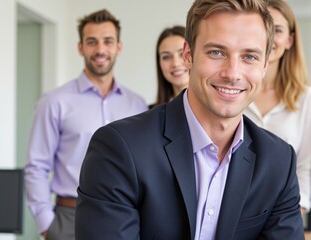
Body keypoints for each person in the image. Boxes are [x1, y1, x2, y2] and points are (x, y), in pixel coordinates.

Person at [75, 0, 305, 239]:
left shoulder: (278, 161)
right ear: (188, 55)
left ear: (265, 65)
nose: (232, 73)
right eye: (217, 52)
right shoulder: (119, 148)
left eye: (249, 56)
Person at [24, 9, 147, 240]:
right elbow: (36, 167)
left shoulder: (137, 104)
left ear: (118, 47)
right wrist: (47, 226)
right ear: (80, 47)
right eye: (92, 42)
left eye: (107, 41)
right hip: (69, 217)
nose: (100, 50)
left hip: (126, 217)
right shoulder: (54, 102)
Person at [244, 0, 311, 214]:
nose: (270, 36)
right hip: (231, 214)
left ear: (290, 40)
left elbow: (306, 168)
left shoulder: (306, 99)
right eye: (264, 28)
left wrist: (287, 219)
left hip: (282, 215)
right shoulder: (234, 90)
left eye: (278, 30)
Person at [150, 25, 189, 108]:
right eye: (166, 57)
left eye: (182, 54)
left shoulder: (218, 108)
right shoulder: (149, 115)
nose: (175, 63)